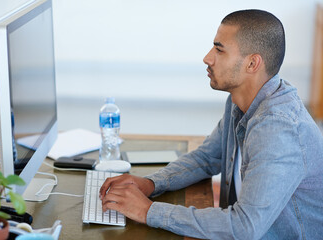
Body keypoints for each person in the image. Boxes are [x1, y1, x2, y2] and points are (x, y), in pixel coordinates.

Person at [99, 9, 323, 239]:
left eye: (219, 49)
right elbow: (206, 158)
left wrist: (148, 210)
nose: (207, 57)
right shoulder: (240, 102)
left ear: (252, 63)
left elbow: (244, 226)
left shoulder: (278, 129)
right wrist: (151, 183)